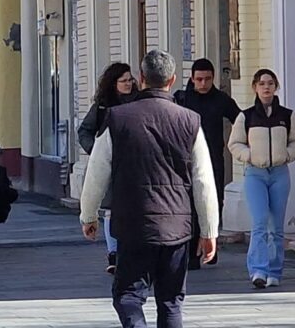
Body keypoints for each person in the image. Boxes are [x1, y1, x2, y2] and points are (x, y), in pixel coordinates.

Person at [79, 49, 220, 328]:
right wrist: (209, 231)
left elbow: (96, 172)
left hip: (133, 225)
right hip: (176, 228)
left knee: (128, 296)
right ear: (172, 80)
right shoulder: (190, 121)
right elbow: (204, 180)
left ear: (142, 78)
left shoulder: (117, 119)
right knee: (170, 302)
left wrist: (89, 215)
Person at [228, 68, 295, 289]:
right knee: (259, 222)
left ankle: (274, 271)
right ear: (255, 87)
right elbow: (234, 143)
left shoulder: (287, 116)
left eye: (270, 83)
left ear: (276, 86)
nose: (266, 87)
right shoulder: (246, 116)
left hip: (279, 173)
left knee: (276, 227)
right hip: (255, 174)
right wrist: (248, 155)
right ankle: (258, 270)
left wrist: (287, 155)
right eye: (262, 83)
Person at [175, 58, 241, 268]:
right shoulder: (182, 100)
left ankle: (211, 247)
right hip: (186, 160)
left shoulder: (221, 99)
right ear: (192, 79)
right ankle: (192, 254)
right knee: (190, 207)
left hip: (213, 159)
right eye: (199, 79)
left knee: (214, 203)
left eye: (208, 79)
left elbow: (240, 121)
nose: (203, 84)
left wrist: (236, 145)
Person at [77, 62, 137, 274]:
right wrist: (96, 152)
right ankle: (113, 252)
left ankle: (128, 249)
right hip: (110, 165)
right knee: (111, 208)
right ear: (113, 84)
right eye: (123, 81)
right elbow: (84, 131)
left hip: (134, 163)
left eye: (130, 80)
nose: (128, 84)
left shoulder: (139, 101)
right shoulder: (102, 106)